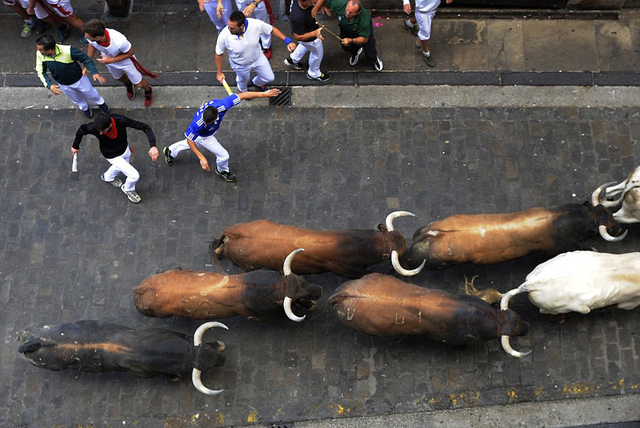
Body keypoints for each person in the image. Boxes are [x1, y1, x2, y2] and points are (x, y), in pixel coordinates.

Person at [162, 88, 281, 183]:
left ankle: (170, 151)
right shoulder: (198, 124)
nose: (204, 123)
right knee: (223, 155)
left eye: (207, 123)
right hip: (204, 136)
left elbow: (243, 95)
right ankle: (222, 170)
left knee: (194, 141)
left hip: (205, 134)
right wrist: (201, 157)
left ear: (215, 117)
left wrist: (264, 94)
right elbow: (190, 141)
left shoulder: (222, 105)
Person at [72, 112, 159, 204]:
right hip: (111, 155)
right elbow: (81, 130)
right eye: (99, 130)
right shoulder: (95, 127)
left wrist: (153, 146)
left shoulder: (121, 120)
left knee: (121, 166)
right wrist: (75, 146)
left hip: (125, 149)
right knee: (134, 176)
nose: (100, 133)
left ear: (110, 125)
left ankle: (107, 177)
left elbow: (145, 127)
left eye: (103, 130)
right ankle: (127, 189)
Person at [216, 11, 296, 93]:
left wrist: (287, 41)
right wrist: (219, 73)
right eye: (229, 26)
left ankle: (256, 83)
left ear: (242, 26)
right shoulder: (224, 35)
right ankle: (243, 91)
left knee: (269, 77)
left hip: (258, 58)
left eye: (232, 28)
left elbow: (271, 29)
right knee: (242, 81)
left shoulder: (255, 24)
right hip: (240, 65)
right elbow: (219, 53)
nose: (229, 29)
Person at [83, 19, 157, 107]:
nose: (86, 38)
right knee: (118, 77)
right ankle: (129, 85)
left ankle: (148, 91)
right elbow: (92, 45)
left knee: (139, 83)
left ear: (97, 38)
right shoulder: (92, 39)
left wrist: (111, 60)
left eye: (88, 37)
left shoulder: (120, 41)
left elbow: (130, 53)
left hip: (126, 61)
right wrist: (86, 63)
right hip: (109, 60)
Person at [35, 34, 108, 118]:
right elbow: (40, 71)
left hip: (80, 80)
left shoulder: (68, 50)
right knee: (77, 99)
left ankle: (100, 103)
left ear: (50, 51)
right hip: (63, 84)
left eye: (40, 50)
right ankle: (85, 108)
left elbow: (85, 59)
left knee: (91, 94)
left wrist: (94, 71)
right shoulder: (40, 55)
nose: (38, 51)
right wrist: (49, 85)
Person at [312, 0, 382, 71]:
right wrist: (319, 6)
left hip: (361, 31)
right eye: (347, 10)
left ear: (358, 12)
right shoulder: (339, 3)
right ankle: (355, 52)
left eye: (351, 12)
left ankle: (374, 59)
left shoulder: (364, 20)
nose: (347, 13)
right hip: (345, 29)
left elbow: (364, 39)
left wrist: (351, 40)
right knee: (346, 47)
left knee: (369, 52)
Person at [284, 0, 329, 82]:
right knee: (317, 53)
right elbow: (297, 37)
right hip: (308, 36)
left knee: (304, 45)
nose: (314, 1)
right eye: (311, 1)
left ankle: (293, 59)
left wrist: (316, 7)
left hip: (306, 29)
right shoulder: (298, 17)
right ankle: (313, 73)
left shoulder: (301, 5)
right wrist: (314, 33)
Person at [403, 0, 452, 67]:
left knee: (423, 18)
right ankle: (426, 53)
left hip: (431, 7)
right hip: (424, 9)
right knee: (425, 33)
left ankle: (409, 24)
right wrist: (406, 2)